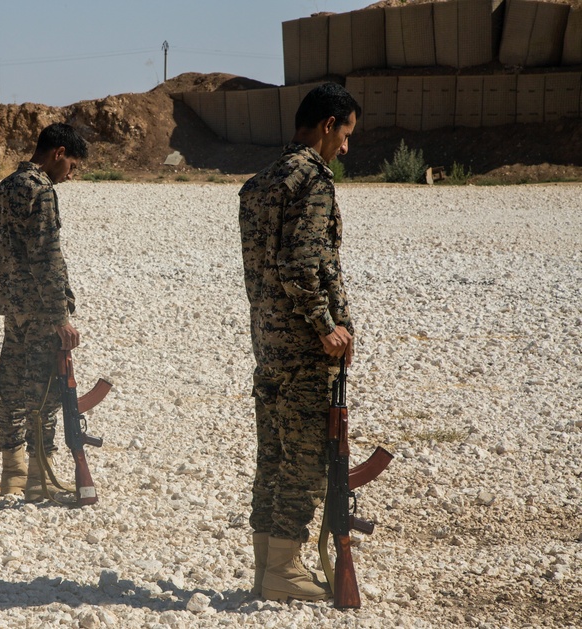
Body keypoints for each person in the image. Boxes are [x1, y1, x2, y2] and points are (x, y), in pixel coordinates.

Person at [238, 82, 360, 602]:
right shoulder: (311, 180)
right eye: (346, 134)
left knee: (273, 453)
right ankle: (284, 569)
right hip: (306, 347)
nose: (347, 148)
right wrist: (325, 324)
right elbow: (301, 262)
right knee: (306, 458)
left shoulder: (261, 183)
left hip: (268, 340)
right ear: (328, 125)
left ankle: (270, 561)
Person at [0, 123, 88, 501]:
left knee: (11, 388)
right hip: (41, 310)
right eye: (72, 165)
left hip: (13, 307)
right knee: (44, 392)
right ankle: (39, 478)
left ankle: (11, 472)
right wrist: (61, 317)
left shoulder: (3, 189)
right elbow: (47, 258)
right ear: (58, 153)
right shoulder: (40, 190)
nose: (71, 175)